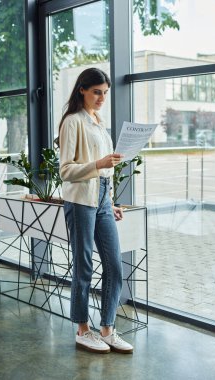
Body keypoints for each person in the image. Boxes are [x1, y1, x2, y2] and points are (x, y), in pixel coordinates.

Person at [58, 67, 133, 354]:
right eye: (96, 92)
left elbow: (106, 172)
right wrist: (99, 164)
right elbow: (66, 171)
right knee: (84, 265)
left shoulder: (99, 123)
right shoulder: (72, 122)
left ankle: (107, 329)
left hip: (101, 199)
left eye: (105, 93)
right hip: (79, 201)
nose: (101, 98)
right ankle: (83, 329)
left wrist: (109, 201)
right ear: (82, 90)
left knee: (114, 265)